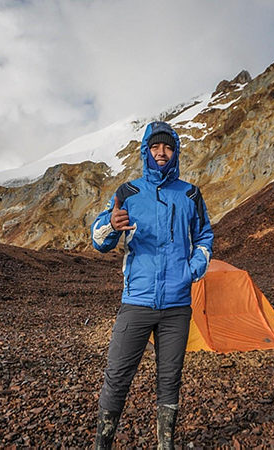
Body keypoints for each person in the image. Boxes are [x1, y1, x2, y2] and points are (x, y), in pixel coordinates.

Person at [91, 121, 214, 449]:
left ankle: (165, 444)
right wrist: (111, 227)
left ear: (175, 152)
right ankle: (102, 444)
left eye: (168, 147)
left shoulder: (190, 194)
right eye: (156, 147)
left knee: (169, 378)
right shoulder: (128, 192)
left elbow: (204, 235)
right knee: (117, 375)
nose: (162, 153)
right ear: (146, 151)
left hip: (177, 305)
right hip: (137, 301)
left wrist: (192, 270)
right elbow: (99, 240)